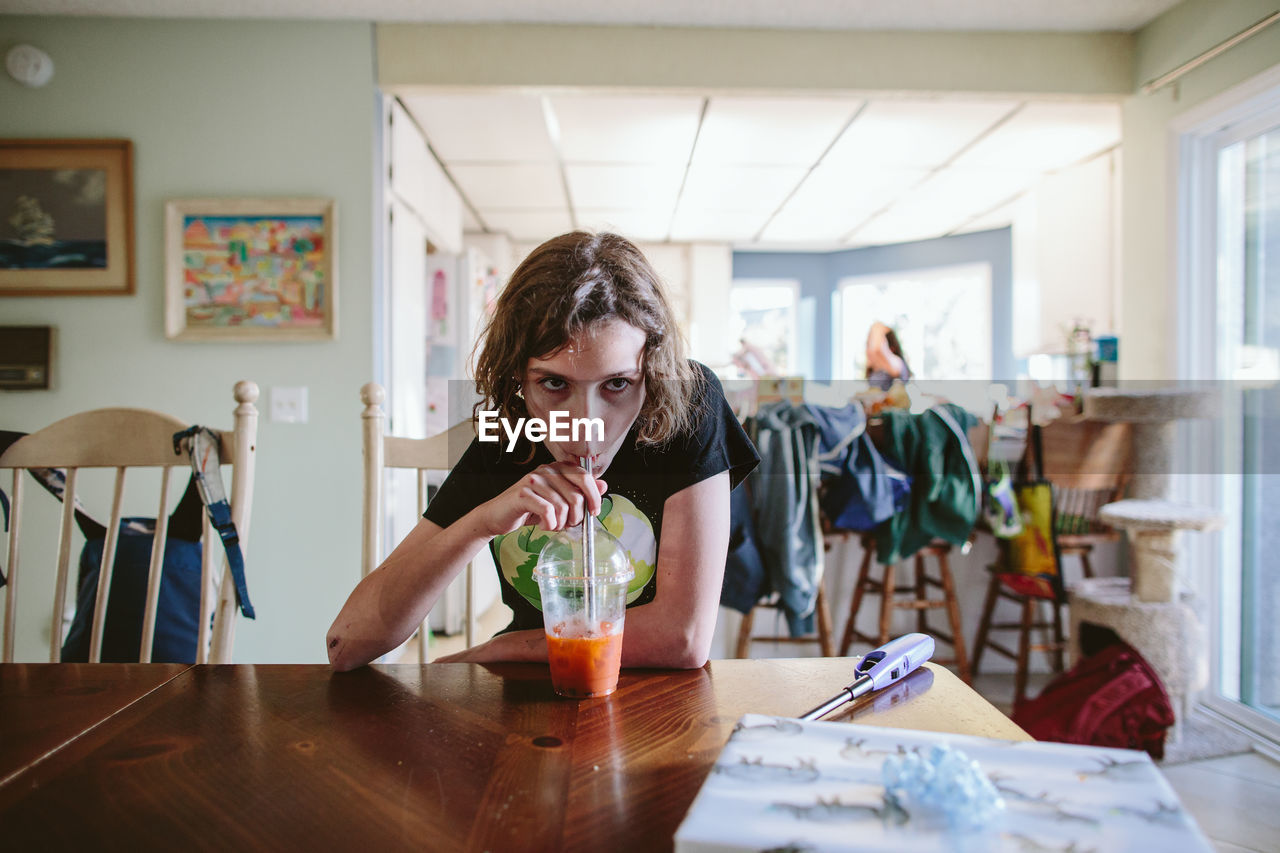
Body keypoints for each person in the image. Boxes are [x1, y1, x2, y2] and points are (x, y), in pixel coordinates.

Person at [327, 231, 759, 671]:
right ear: (518, 376)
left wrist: (499, 648)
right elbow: (346, 645)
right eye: (554, 383)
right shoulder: (510, 431)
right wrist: (480, 522)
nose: (585, 433)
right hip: (528, 706)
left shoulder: (687, 403)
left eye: (617, 384)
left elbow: (682, 639)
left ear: (652, 370)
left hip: (653, 709)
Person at [865, 321, 911, 391]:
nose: (868, 348)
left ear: (891, 349)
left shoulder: (897, 363)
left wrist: (877, 329)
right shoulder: (874, 370)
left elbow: (876, 350)